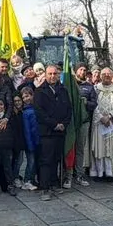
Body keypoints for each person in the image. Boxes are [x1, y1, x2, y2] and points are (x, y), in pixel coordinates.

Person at [35, 65, 72, 201]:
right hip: (47, 132)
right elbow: (40, 113)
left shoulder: (63, 90)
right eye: (50, 74)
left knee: (56, 158)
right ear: (45, 75)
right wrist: (54, 124)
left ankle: (54, 183)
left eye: (55, 74)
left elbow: (68, 109)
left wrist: (64, 124)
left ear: (58, 75)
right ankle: (44, 188)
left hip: (60, 132)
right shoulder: (39, 91)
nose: (52, 76)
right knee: (46, 160)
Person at [67, 63, 97, 188]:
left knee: (80, 149)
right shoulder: (69, 85)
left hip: (84, 122)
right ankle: (68, 175)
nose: (83, 72)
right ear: (75, 71)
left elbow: (94, 103)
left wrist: (86, 103)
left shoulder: (89, 87)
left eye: (85, 70)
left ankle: (79, 174)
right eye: (80, 69)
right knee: (69, 148)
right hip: (71, 122)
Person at [91, 68, 113, 180]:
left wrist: (110, 116)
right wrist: (101, 117)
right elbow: (93, 104)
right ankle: (99, 172)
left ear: (112, 76)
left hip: (112, 123)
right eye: (104, 74)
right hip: (98, 123)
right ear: (100, 76)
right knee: (99, 148)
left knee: (110, 148)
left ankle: (109, 172)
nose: (106, 76)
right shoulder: (95, 89)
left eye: (109, 74)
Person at [21, 87, 40, 191]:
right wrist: (29, 144)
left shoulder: (35, 108)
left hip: (37, 139)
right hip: (31, 142)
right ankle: (27, 180)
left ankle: (32, 179)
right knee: (31, 162)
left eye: (27, 96)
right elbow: (27, 130)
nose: (26, 99)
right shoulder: (26, 112)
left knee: (35, 162)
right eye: (23, 97)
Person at [10, 93, 26, 187]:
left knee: (19, 160)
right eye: (15, 101)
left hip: (20, 140)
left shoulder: (22, 112)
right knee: (16, 161)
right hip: (13, 141)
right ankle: (14, 178)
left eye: (19, 100)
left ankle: (15, 176)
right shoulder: (11, 113)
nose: (17, 103)